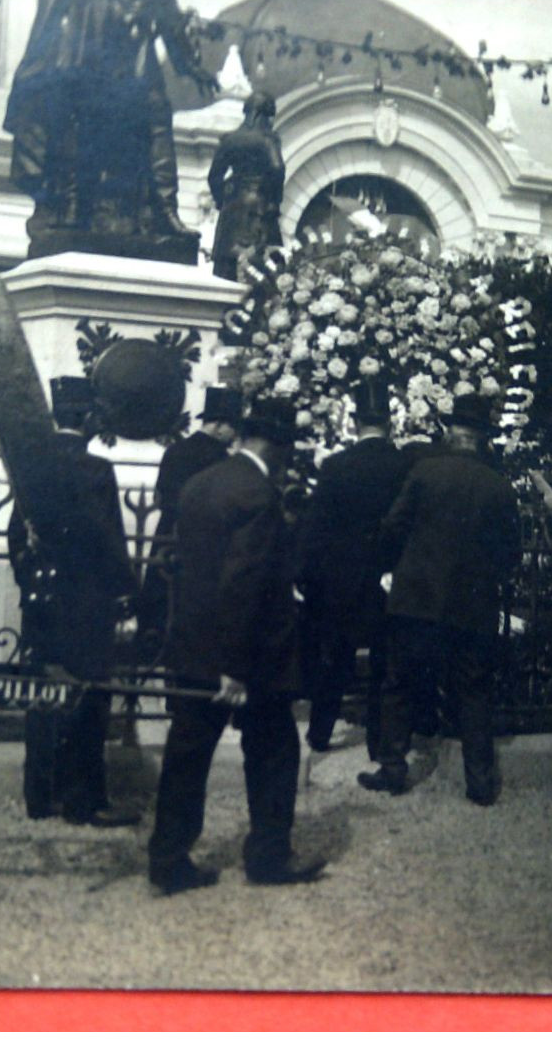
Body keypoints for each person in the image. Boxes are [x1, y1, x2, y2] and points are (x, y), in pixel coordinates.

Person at [148, 398, 325, 893]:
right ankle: (269, 856)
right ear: (277, 445)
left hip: (194, 644)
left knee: (187, 753)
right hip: (248, 654)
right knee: (274, 749)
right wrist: (234, 667)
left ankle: (167, 858)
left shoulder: (201, 483)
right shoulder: (257, 495)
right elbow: (242, 583)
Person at [358, 395, 519, 805]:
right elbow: (510, 554)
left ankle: (393, 768)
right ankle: (480, 782)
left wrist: (394, 567)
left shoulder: (424, 472)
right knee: (473, 692)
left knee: (400, 684)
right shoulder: (498, 487)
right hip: (472, 604)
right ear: (483, 439)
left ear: (450, 433)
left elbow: (393, 528)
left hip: (416, 598)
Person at [7, 375, 140, 826]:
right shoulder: (95, 470)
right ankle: (83, 800)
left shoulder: (33, 467)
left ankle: (39, 797)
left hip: (43, 600)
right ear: (85, 418)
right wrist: (125, 594)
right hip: (86, 603)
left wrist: (30, 579)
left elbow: (14, 535)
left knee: (42, 694)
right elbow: (107, 538)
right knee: (89, 699)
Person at [3, 0, 217, 258]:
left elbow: (168, 12)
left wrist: (190, 66)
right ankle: (74, 208)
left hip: (137, 50)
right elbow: (55, 9)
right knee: (85, 125)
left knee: (157, 120)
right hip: (93, 47)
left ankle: (166, 213)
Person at [298, 379, 416, 754]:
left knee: (335, 661)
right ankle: (379, 743)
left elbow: (315, 530)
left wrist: (311, 579)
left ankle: (319, 734)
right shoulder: (405, 466)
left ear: (354, 422)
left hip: (341, 581)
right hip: (390, 578)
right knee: (385, 662)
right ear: (389, 423)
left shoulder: (335, 467)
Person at [136, 385, 242, 654]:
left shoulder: (175, 450)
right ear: (218, 426)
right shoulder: (219, 458)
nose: (234, 435)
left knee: (160, 604)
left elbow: (160, 495)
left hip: (168, 532)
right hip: (201, 540)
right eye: (232, 428)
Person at [208, 90, 285, 281]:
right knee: (258, 266)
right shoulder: (268, 139)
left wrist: (221, 201)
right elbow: (277, 168)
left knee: (225, 268)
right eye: (269, 116)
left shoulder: (229, 139)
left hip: (231, 208)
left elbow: (213, 177)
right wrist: (275, 202)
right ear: (262, 114)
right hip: (258, 207)